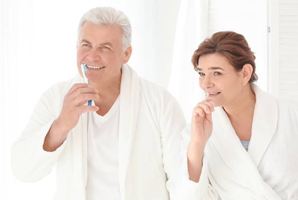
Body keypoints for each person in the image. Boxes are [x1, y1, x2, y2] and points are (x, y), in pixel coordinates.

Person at [11, 7, 186, 200]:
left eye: (105, 48)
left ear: (126, 53)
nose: (92, 56)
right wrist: (60, 126)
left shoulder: (160, 103)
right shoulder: (56, 98)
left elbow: (181, 179)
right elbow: (22, 170)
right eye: (86, 45)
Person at [184, 31, 298, 199]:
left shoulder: (292, 116)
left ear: (245, 73)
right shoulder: (195, 132)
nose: (205, 84)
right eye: (201, 73)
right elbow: (188, 195)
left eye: (216, 73)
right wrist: (197, 144)